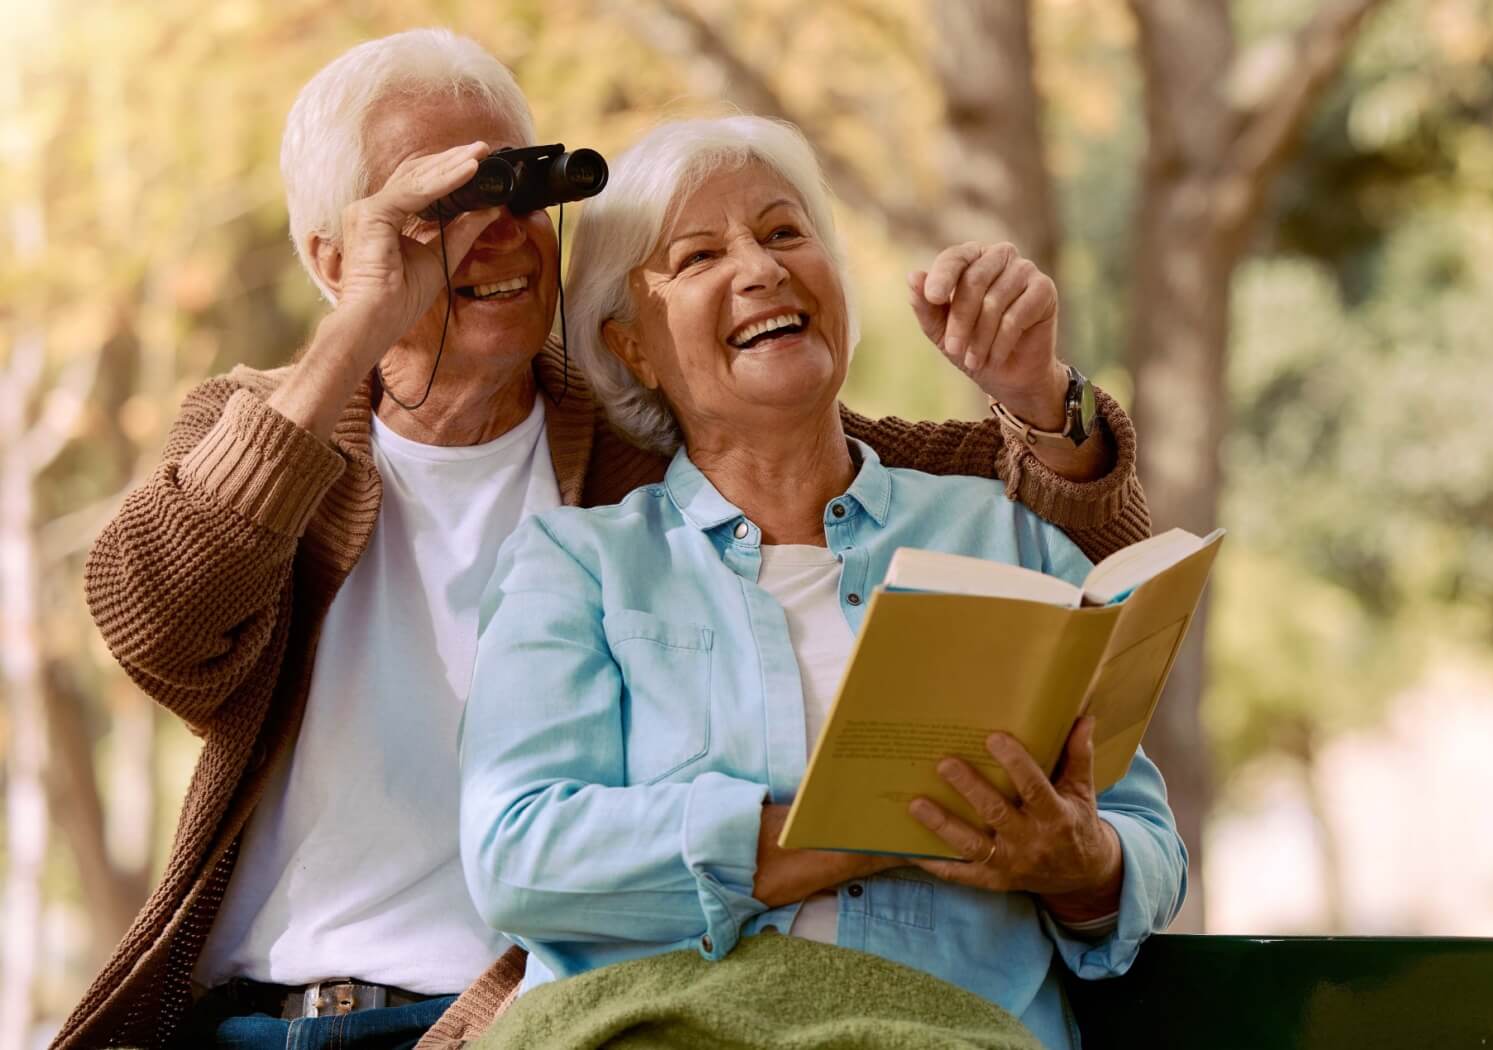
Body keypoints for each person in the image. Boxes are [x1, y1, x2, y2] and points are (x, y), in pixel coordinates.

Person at [58, 29, 1149, 1050]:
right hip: (264, 1013)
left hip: (502, 1019)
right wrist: (361, 324)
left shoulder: (635, 428)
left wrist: (1042, 400)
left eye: (521, 185)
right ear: (331, 252)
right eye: (441, 204)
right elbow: (156, 624)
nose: (497, 228)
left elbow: (1004, 506)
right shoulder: (270, 428)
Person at [456, 116, 1186, 1050]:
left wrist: (1084, 864)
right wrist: (846, 834)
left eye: (785, 232)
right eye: (699, 255)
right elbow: (520, 856)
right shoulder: (579, 566)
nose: (760, 269)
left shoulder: (999, 534)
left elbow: (1146, 842)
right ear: (632, 347)